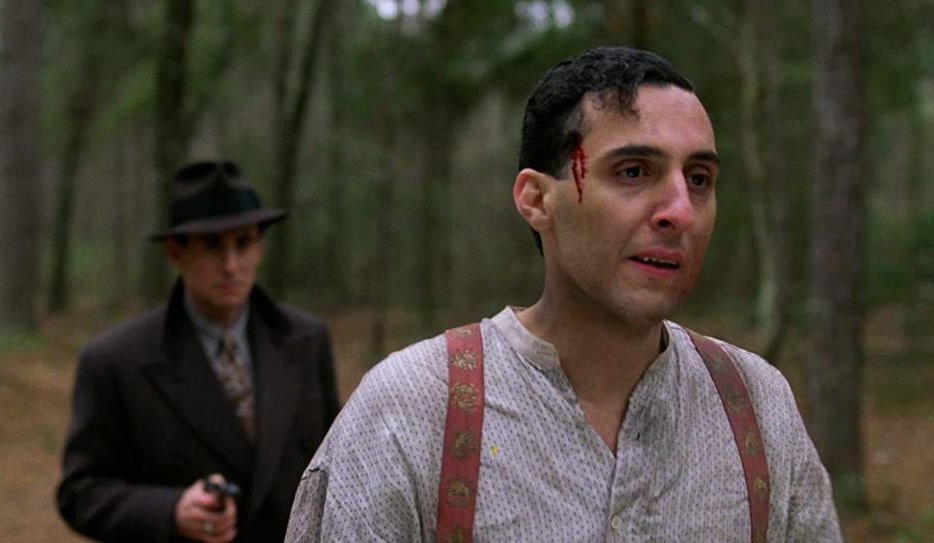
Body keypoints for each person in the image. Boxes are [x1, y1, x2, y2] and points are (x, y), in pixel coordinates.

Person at [284, 47, 841, 542]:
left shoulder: (757, 409)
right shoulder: (411, 413)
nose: (680, 211)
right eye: (633, 171)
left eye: (699, 178)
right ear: (536, 200)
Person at [57, 160, 340, 543]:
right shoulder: (116, 361)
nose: (230, 265)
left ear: (261, 246)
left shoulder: (306, 340)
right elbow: (81, 493)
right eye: (212, 245)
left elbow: (334, 472)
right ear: (176, 252)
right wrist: (171, 510)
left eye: (244, 242)